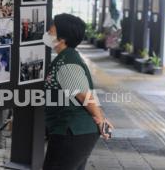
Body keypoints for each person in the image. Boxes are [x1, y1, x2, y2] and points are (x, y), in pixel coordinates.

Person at [43, 13, 113, 170]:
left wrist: (101, 121)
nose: (48, 32)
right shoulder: (67, 57)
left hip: (73, 132)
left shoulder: (67, 63)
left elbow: (84, 96)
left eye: (51, 30)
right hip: (73, 131)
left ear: (62, 38)